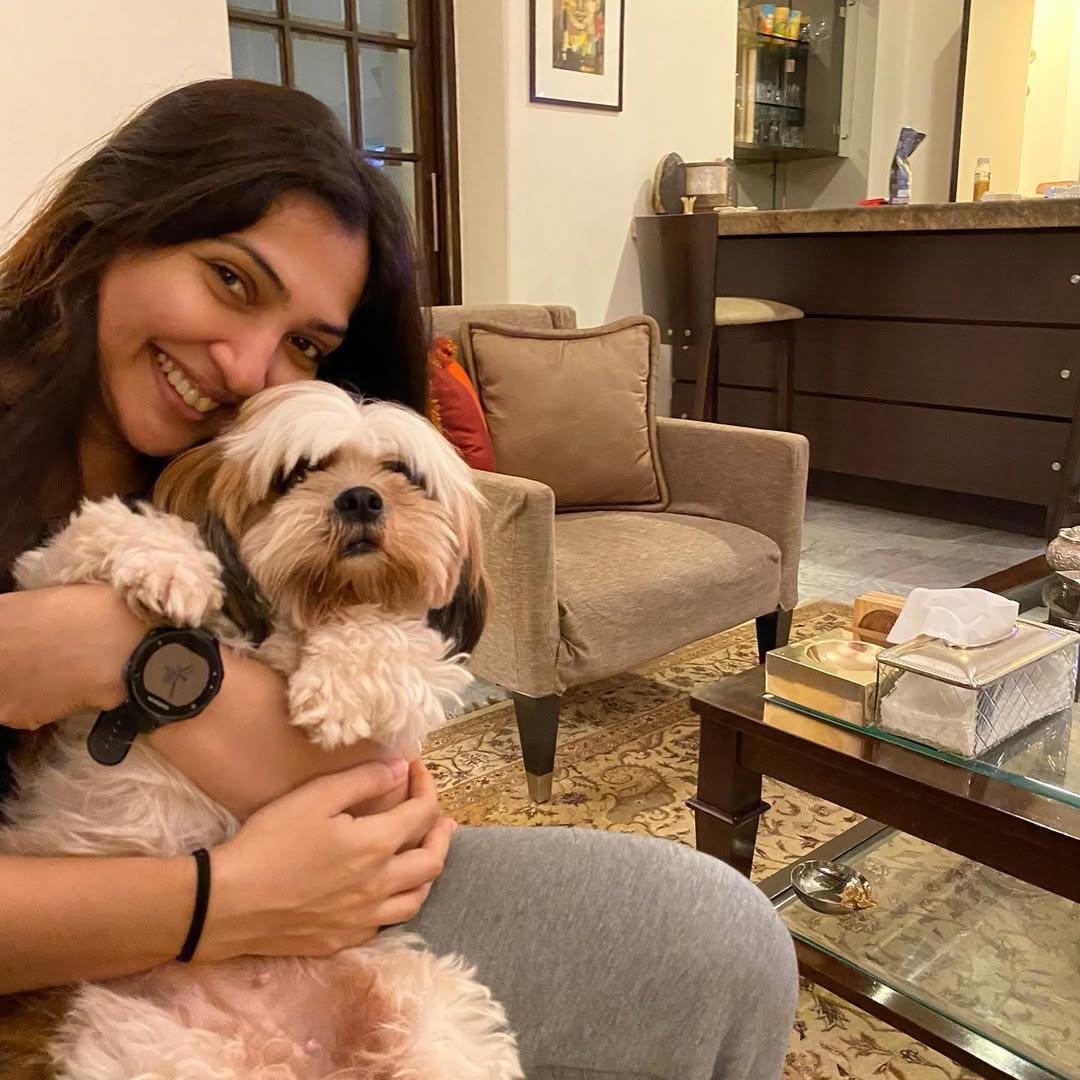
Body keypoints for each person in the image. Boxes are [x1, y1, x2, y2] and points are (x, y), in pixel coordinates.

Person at [0, 79, 797, 1079]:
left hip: (294, 894)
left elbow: (354, 772)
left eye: (305, 344)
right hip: (83, 936)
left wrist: (110, 646)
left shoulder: (223, 473)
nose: (248, 366)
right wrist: (216, 904)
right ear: (111, 222)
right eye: (231, 280)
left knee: (719, 941)